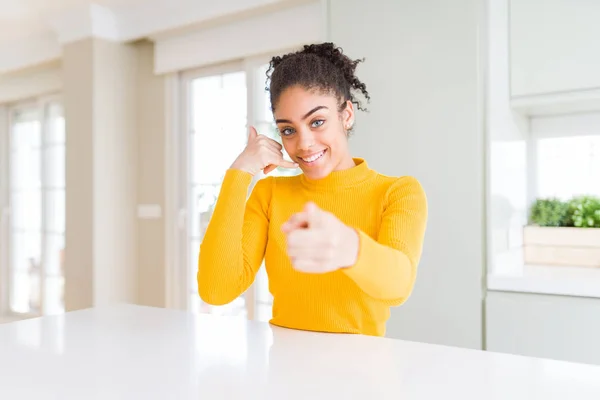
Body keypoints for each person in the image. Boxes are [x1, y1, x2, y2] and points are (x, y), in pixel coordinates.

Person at [198, 42, 428, 337]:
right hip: (285, 368)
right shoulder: (270, 195)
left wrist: (348, 247)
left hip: (363, 374)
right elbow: (217, 290)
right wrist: (239, 173)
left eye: (317, 122)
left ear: (346, 115)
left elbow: (398, 287)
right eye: (288, 130)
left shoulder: (398, 192)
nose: (304, 144)